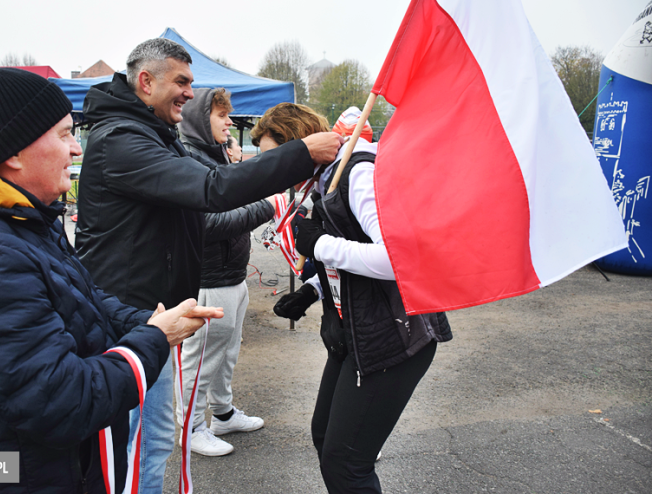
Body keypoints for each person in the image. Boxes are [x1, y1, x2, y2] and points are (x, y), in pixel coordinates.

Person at [0, 66, 220, 494]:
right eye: (65, 135)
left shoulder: (15, 219)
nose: (76, 150)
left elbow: (78, 297)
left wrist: (145, 320)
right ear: (13, 152)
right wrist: (155, 338)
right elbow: (63, 402)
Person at [75, 38, 343, 489]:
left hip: (157, 316)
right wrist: (299, 154)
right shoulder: (121, 140)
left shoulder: (151, 133)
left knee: (156, 440)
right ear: (146, 81)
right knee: (133, 444)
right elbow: (212, 191)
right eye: (181, 82)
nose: (188, 93)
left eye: (191, 83)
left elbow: (203, 202)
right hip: (127, 318)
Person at [267, 106, 453, 494]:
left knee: (346, 463)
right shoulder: (323, 181)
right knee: (325, 439)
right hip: (354, 334)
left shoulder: (358, 173)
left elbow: (396, 259)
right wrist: (312, 290)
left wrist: (321, 244)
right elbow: (349, 261)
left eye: (276, 158)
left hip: (395, 337)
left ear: (302, 143)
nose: (272, 170)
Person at [176, 87, 273, 456]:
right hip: (210, 281)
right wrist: (269, 207)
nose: (230, 121)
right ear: (202, 119)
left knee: (227, 352)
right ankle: (190, 429)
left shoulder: (217, 156)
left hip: (233, 275)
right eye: (221, 115)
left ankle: (223, 413)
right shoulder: (190, 161)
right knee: (200, 358)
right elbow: (209, 224)